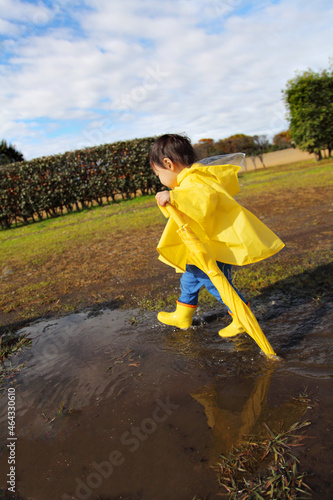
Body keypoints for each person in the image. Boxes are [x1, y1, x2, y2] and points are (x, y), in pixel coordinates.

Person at [150, 133, 284, 337]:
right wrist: (174, 199)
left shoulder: (196, 179)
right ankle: (183, 314)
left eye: (158, 174)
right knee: (189, 280)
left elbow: (202, 199)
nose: (161, 180)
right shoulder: (190, 180)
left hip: (213, 247)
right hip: (202, 246)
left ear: (168, 164)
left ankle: (241, 316)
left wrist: (174, 196)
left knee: (217, 284)